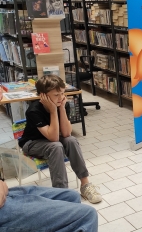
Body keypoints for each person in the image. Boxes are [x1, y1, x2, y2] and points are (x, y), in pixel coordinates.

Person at [19, 75, 101, 203]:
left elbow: (67, 133)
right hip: (32, 143)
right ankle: (62, 193)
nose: (61, 97)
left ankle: (85, 185)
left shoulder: (62, 104)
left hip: (52, 141)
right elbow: (54, 138)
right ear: (43, 96)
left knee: (72, 140)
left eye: (62, 93)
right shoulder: (33, 110)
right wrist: (53, 111)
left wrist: (61, 108)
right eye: (56, 95)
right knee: (56, 146)